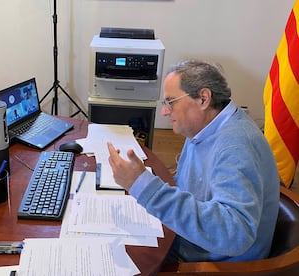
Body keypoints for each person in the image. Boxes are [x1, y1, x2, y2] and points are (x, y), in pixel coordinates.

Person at [107, 59, 280, 263]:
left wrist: (144, 187)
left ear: (203, 98)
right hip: (191, 240)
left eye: (170, 102)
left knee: (111, 254)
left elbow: (235, 235)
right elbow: (187, 186)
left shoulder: (235, 147)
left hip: (212, 262)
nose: (164, 111)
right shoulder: (205, 127)